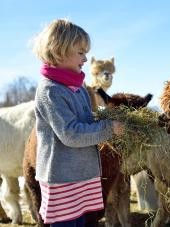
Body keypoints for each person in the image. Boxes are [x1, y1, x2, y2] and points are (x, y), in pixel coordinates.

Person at [32, 18, 124, 226]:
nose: (85, 58)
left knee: (82, 222)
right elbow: (70, 133)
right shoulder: (50, 90)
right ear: (58, 52)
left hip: (82, 174)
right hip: (62, 178)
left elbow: (85, 120)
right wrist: (108, 129)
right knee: (65, 223)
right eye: (80, 52)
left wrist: (104, 118)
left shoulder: (79, 87)